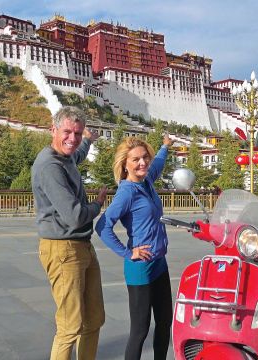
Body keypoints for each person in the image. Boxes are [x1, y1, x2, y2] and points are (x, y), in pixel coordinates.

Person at [31, 106, 108, 360]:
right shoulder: (50, 166)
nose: (72, 139)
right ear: (52, 130)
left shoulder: (67, 156)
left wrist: (88, 140)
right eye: (67, 132)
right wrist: (97, 204)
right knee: (70, 326)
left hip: (82, 246)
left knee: (94, 319)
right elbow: (74, 216)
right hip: (63, 249)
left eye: (77, 133)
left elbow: (78, 154)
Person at [95, 135, 174, 360]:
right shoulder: (127, 192)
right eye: (136, 159)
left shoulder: (147, 180)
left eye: (145, 157)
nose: (143, 163)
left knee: (164, 322)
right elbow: (102, 226)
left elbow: (157, 163)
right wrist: (128, 253)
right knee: (139, 330)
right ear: (124, 164)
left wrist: (165, 146)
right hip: (140, 267)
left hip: (159, 263)